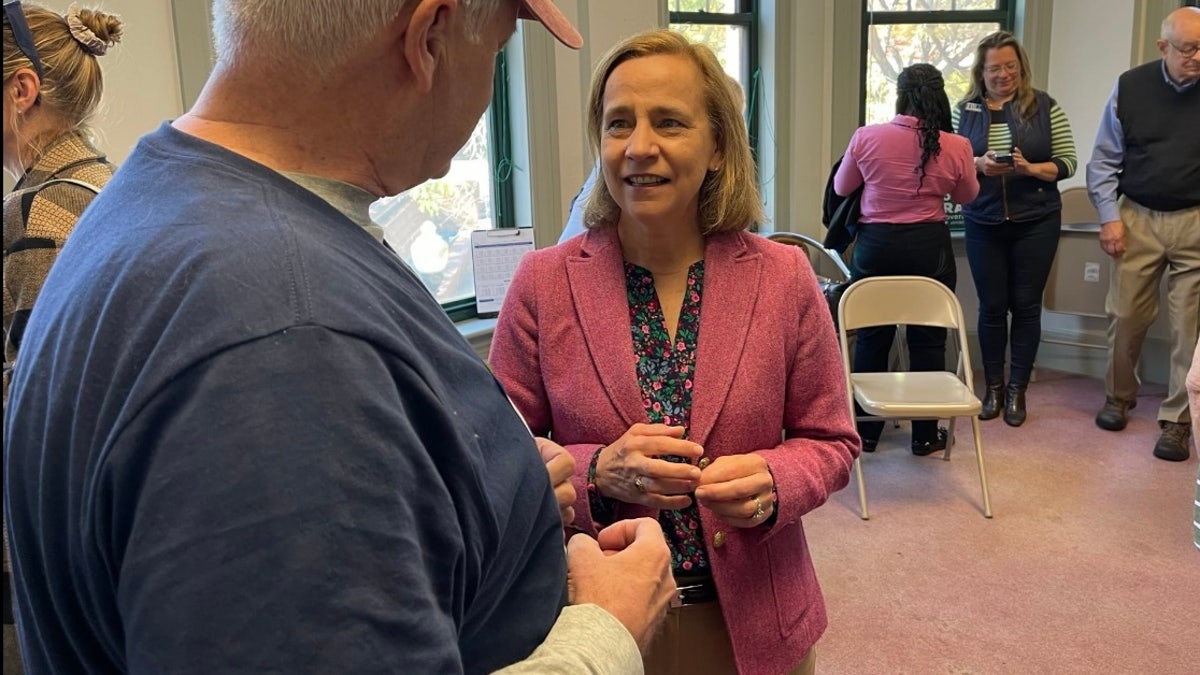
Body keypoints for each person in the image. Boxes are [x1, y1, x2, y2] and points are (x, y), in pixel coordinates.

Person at [3, 1, 679, 673]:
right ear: (428, 39)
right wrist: (606, 630)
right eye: (497, 48)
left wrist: (480, 486)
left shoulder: (156, 204)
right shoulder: (285, 342)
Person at [490, 29, 860, 675]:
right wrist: (598, 470)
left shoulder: (783, 277)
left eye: (668, 122)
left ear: (717, 145)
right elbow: (499, 456)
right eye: (618, 124)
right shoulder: (543, 283)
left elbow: (831, 439)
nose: (639, 147)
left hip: (757, 618)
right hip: (595, 623)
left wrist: (776, 482)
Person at [3, 3, 122, 672]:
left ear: (22, 90)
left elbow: (31, 421)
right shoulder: (105, 183)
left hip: (33, 558)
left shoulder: (40, 213)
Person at [834, 63, 980, 455]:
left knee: (871, 335)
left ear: (900, 96)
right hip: (929, 247)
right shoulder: (957, 146)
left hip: (876, 246)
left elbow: (842, 185)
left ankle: (865, 433)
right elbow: (967, 197)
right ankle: (924, 435)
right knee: (929, 337)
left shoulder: (868, 137)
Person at [1088, 6, 1199, 462]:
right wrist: (1109, 216)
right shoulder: (1130, 87)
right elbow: (1103, 160)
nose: (1197, 57)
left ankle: (1177, 420)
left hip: (1195, 217)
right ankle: (1119, 396)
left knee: (1189, 327)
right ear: (1163, 47)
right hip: (1136, 216)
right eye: (1189, 48)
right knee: (1125, 316)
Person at [952, 30, 1078, 428]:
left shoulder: (1046, 106)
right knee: (991, 307)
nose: (1002, 74)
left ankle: (1017, 389)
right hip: (982, 219)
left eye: (1010, 66)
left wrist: (1030, 169)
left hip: (1036, 219)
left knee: (1025, 307)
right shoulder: (966, 109)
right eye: (994, 68)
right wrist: (979, 165)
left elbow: (1068, 162)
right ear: (981, 71)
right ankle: (992, 387)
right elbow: (954, 165)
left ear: (1020, 67)